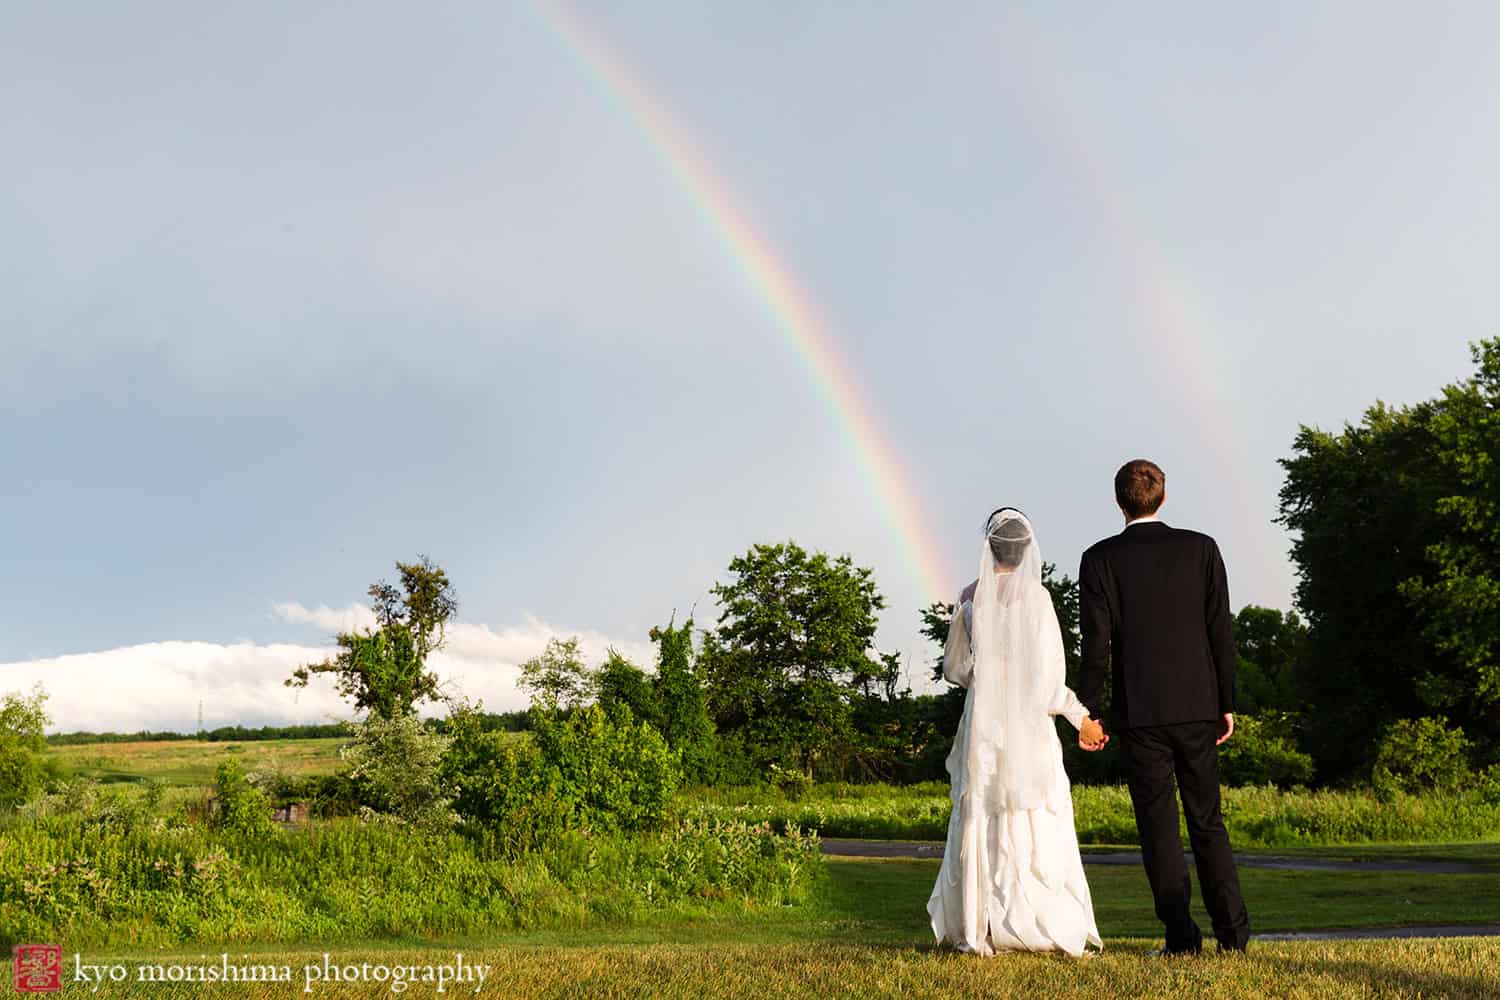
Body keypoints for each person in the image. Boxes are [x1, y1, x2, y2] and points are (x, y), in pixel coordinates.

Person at [1077, 459, 1251, 955]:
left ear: (1118, 501)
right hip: (1198, 704)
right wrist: (1226, 702)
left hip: (1141, 713)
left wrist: (1086, 711)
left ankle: (1181, 938)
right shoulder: (1201, 549)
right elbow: (1221, 630)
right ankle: (1234, 937)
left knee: (1158, 828)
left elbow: (1097, 646)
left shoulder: (1099, 559)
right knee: (1207, 821)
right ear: (1163, 497)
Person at [927, 507, 1105, 957]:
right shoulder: (1038, 599)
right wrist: (1080, 716)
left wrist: (990, 681)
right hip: (1028, 726)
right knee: (1030, 812)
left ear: (988, 547)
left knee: (982, 811)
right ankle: (1034, 921)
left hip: (984, 727)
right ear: (1026, 550)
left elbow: (957, 670)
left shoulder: (970, 597)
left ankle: (980, 925)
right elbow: (1048, 683)